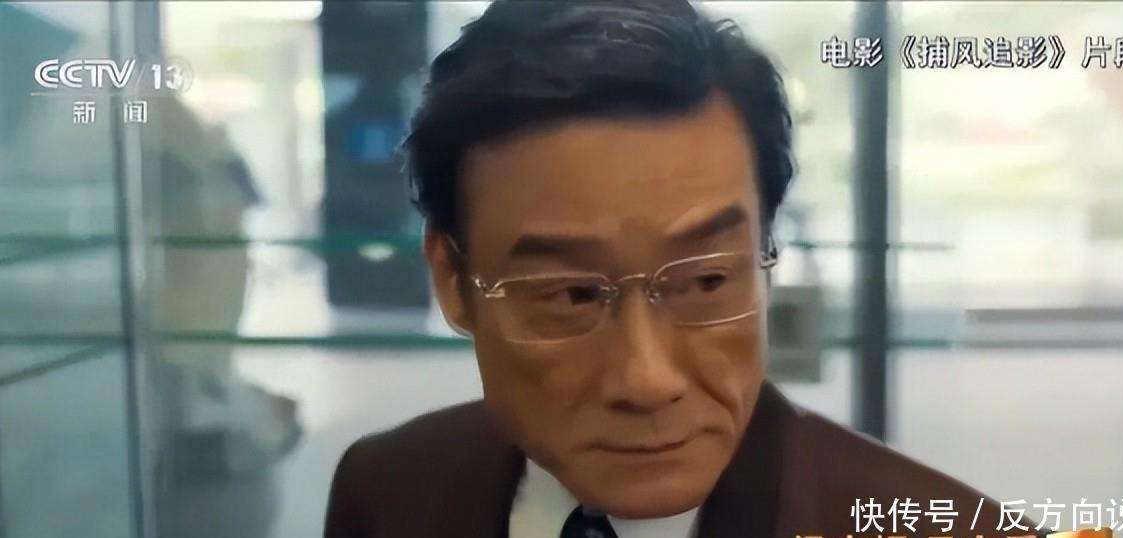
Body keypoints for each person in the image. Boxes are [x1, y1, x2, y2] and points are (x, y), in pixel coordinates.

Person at [325, 1, 1037, 537]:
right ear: (453, 280)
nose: (648, 379)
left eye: (706, 281)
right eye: (572, 294)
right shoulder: (387, 491)